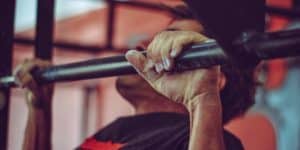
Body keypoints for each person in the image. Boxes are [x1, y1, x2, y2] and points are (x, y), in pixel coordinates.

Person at [14, 2, 264, 150]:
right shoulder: (116, 131)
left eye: (171, 43)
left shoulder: (206, 140)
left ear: (215, 78)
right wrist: (40, 109)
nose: (145, 45)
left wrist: (202, 100)